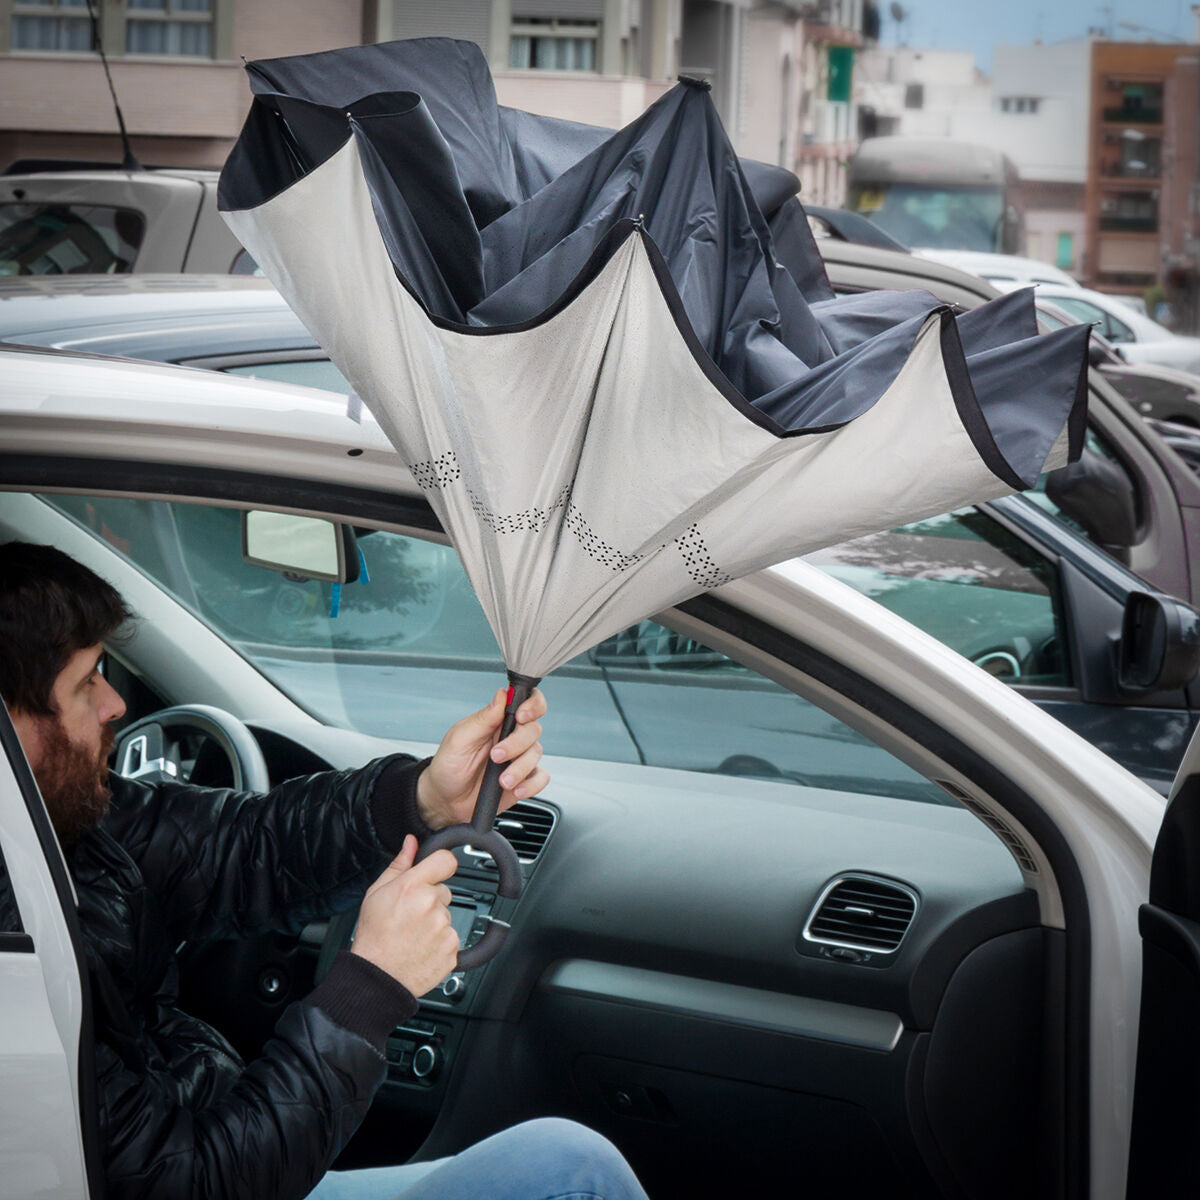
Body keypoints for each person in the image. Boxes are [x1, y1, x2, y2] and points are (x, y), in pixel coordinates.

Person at [0, 541, 647, 1200]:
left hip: (225, 1148)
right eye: (86, 684)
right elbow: (187, 1185)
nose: (114, 704)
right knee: (575, 1178)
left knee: (568, 1163)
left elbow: (245, 847)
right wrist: (368, 991)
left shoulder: (56, 824)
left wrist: (423, 797)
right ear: (8, 725)